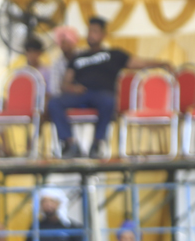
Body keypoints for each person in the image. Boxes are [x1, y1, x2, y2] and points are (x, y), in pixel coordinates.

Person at [48, 16, 168, 159]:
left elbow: (139, 63)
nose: (91, 34)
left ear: (103, 35)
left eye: (95, 31)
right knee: (54, 103)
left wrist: (162, 64)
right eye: (89, 31)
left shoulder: (114, 54)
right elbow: (64, 84)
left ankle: (97, 143)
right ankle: (70, 144)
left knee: (109, 101)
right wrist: (72, 88)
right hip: (80, 94)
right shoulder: (78, 57)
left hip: (102, 94)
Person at [48, 26, 79, 98]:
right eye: (62, 43)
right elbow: (54, 88)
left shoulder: (82, 56)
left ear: (73, 42)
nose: (65, 45)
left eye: (67, 42)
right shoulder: (57, 63)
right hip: (65, 97)